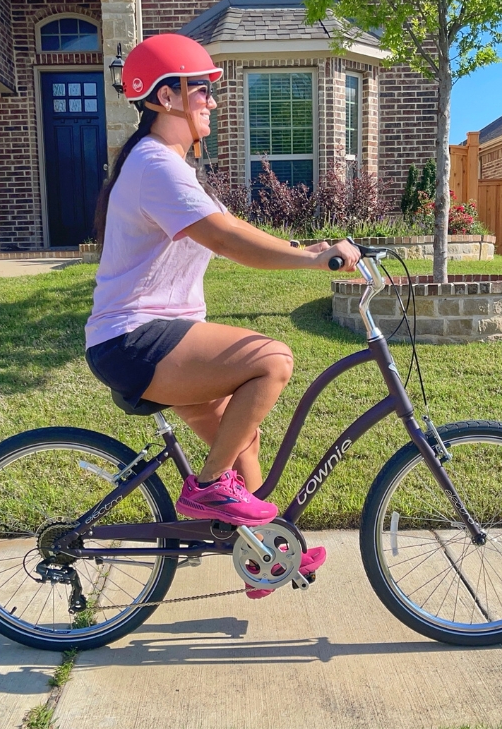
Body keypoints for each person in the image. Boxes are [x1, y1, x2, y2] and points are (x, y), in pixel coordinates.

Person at [84, 34, 360, 597]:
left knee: (246, 442)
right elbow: (231, 241)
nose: (212, 99)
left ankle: (269, 557)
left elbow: (240, 231)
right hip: (135, 341)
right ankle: (206, 488)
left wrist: (314, 247)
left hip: (156, 340)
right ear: (165, 97)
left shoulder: (169, 168)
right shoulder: (155, 166)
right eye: (202, 88)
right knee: (272, 359)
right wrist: (313, 263)